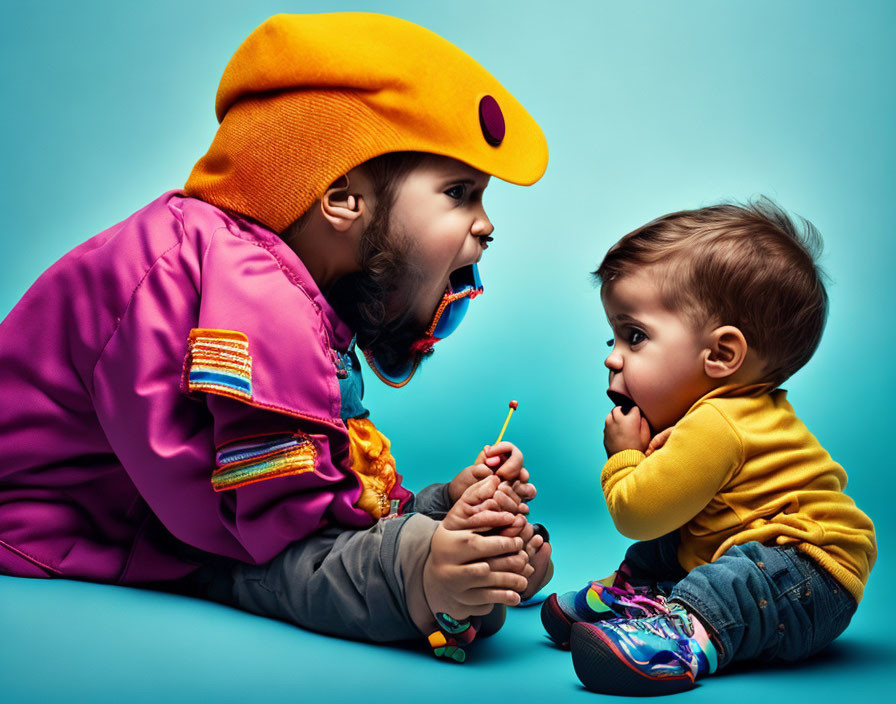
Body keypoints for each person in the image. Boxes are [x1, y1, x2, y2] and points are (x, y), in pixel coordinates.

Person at [0, 13, 553, 662]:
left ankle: (464, 563)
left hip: (164, 507)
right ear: (342, 199)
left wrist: (438, 506)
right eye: (459, 193)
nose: (485, 226)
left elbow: (313, 460)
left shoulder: (286, 284)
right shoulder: (240, 290)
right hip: (71, 524)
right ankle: (429, 583)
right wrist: (420, 552)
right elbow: (268, 527)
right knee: (280, 571)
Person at [541, 200, 876, 694]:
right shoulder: (727, 415)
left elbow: (640, 512)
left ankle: (681, 634)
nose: (613, 359)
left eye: (634, 337)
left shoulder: (718, 423)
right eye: (611, 338)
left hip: (808, 573)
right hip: (781, 569)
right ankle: (642, 592)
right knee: (675, 541)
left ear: (721, 354)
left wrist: (623, 460)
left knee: (731, 578)